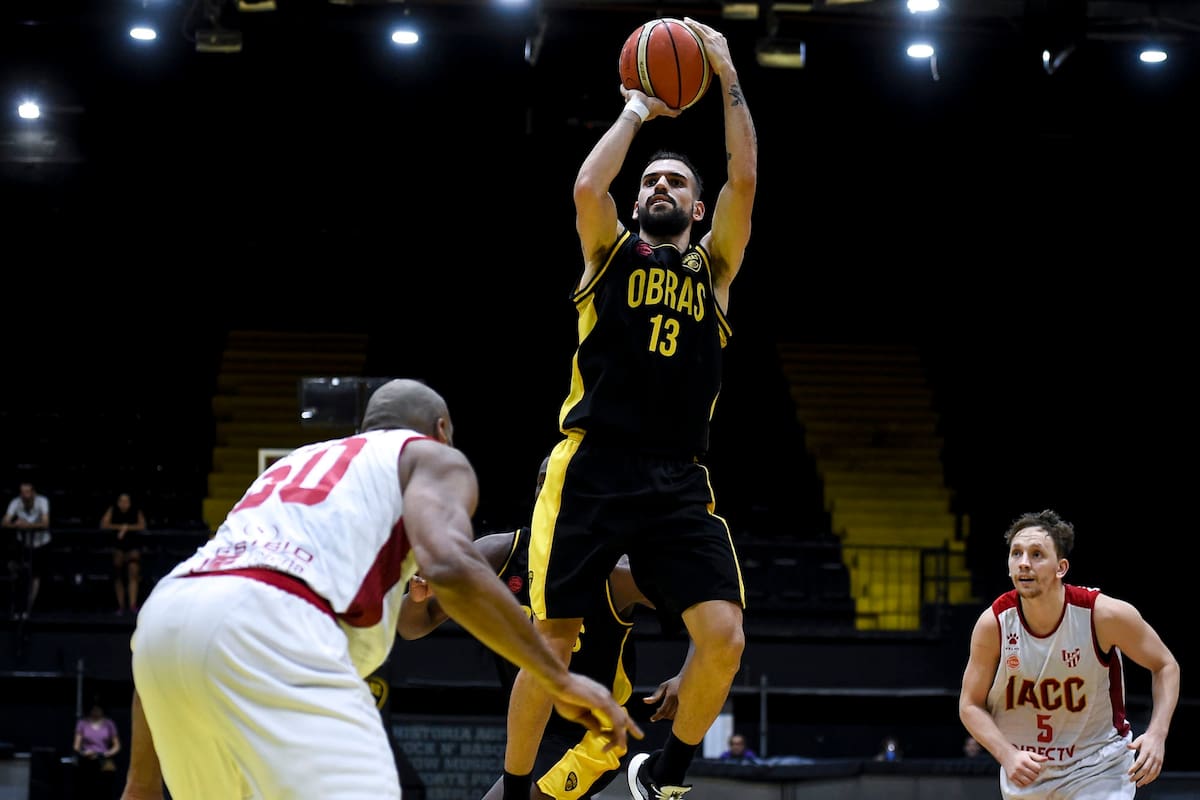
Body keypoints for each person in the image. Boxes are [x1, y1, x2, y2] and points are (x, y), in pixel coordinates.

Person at [118, 378, 642, 800]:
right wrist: (561, 679)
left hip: (166, 620)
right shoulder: (431, 457)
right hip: (277, 624)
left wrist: (141, 781)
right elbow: (453, 568)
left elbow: (213, 604)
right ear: (441, 429)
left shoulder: (296, 465)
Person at [502, 16, 757, 800]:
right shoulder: (608, 252)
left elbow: (745, 182)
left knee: (723, 638)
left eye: (675, 182)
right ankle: (515, 788)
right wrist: (639, 110)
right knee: (551, 639)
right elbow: (586, 187)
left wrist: (725, 75)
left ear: (698, 204)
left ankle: (667, 772)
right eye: (650, 180)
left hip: (678, 477)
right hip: (592, 467)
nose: (658, 187)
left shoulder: (712, 270)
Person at [398, 455, 685, 800]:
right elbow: (412, 627)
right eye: (542, 480)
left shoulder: (615, 570)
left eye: (563, 480)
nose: (548, 488)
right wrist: (417, 598)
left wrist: (689, 673)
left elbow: (706, 603)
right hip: (529, 731)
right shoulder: (500, 553)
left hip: (592, 735)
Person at [958, 509, 1180, 799]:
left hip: (1099, 767)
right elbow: (970, 705)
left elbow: (1165, 665)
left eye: (1037, 554)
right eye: (1016, 554)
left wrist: (1157, 734)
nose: (1024, 563)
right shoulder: (994, 624)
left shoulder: (1102, 615)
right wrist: (1006, 755)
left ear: (1061, 567)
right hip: (1029, 772)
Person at [3, 481, 51, 616]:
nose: (26, 495)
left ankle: (28, 609)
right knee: (20, 573)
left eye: (28, 492)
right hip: (23, 543)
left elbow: (46, 523)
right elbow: (5, 522)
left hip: (41, 542)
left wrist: (25, 525)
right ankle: (18, 607)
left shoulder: (42, 501)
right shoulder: (15, 502)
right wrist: (17, 526)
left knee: (35, 575)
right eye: (23, 492)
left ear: (34, 492)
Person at [99, 493, 147, 614]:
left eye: (127, 501)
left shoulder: (136, 511)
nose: (124, 504)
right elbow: (104, 524)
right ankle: (121, 606)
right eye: (122, 501)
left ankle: (132, 605)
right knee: (118, 575)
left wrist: (126, 528)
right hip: (118, 547)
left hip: (132, 547)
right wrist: (121, 527)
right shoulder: (113, 510)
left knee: (133, 574)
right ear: (118, 502)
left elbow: (142, 525)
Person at [74, 702, 121, 799]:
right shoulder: (82, 723)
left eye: (98, 709)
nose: (96, 712)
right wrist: (84, 753)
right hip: (87, 761)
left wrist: (106, 753)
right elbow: (76, 746)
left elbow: (117, 746)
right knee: (88, 789)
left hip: (103, 760)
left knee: (104, 789)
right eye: (94, 709)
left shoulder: (109, 724)